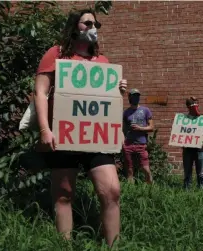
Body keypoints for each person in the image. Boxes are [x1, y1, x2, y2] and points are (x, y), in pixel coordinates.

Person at [33, 9, 127, 246]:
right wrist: (45, 130)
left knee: (112, 191)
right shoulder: (56, 54)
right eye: (87, 23)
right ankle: (63, 245)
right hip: (63, 135)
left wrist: (119, 91)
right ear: (75, 26)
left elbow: (109, 103)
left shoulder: (102, 62)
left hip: (98, 138)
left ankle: (113, 246)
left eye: (96, 23)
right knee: (64, 194)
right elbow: (41, 93)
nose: (92, 27)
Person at [122, 88, 154, 184]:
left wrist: (140, 128)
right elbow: (122, 129)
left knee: (146, 169)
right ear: (129, 97)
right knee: (129, 170)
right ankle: (131, 192)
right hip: (128, 144)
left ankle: (151, 188)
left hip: (141, 143)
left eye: (137, 96)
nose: (136, 98)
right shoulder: (126, 112)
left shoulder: (145, 110)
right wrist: (123, 142)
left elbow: (152, 127)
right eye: (134, 96)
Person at [182, 97, 203, 189]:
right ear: (188, 106)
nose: (195, 107)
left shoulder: (202, 119)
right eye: (192, 104)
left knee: (201, 173)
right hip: (187, 149)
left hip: (200, 149)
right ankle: (187, 191)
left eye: (196, 104)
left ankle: (201, 191)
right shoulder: (183, 119)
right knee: (187, 173)